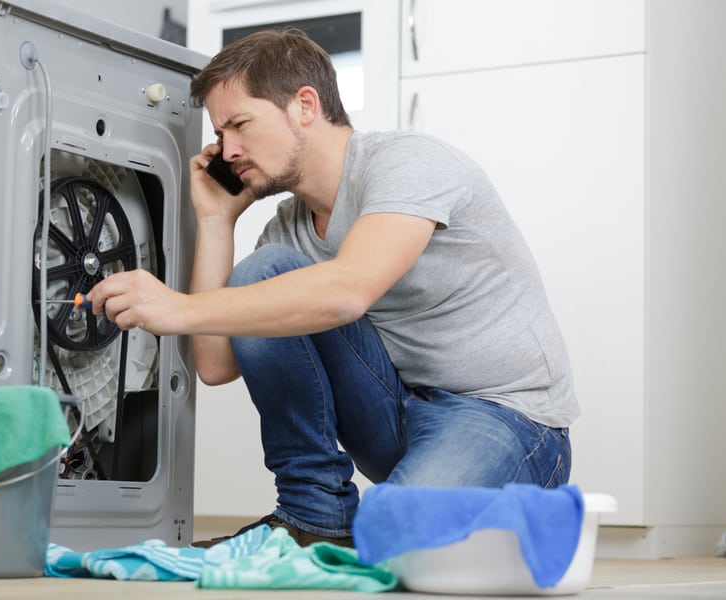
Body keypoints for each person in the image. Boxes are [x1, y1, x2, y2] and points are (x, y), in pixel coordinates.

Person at [87, 29, 578, 548]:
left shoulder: (409, 164)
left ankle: (487, 513)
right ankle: (313, 514)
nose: (227, 150)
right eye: (219, 132)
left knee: (395, 537)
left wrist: (176, 307)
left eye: (240, 124)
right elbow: (214, 364)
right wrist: (215, 222)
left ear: (304, 105)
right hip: (399, 413)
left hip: (509, 421)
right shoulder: (290, 228)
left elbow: (347, 291)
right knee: (264, 273)